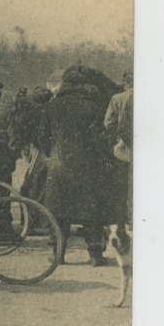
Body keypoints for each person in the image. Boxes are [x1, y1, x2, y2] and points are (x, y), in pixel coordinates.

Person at [37, 65, 116, 265]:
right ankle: (96, 255)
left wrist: (52, 153)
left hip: (59, 165)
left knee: (58, 211)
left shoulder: (51, 107)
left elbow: (42, 138)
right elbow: (99, 138)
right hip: (87, 166)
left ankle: (58, 254)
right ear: (82, 85)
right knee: (91, 211)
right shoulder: (93, 106)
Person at [104, 70, 133, 226]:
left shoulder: (117, 98)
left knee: (121, 189)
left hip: (122, 150)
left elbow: (108, 123)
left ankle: (121, 221)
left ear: (125, 82)